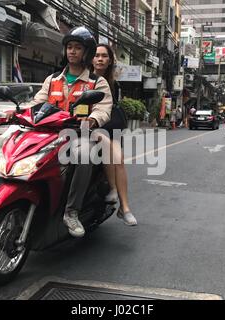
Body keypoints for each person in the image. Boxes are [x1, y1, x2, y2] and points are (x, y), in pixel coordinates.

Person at [29, 26, 113, 237]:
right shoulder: (53, 79)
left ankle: (71, 211)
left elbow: (104, 109)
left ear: (87, 53)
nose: (72, 52)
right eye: (69, 47)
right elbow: (36, 103)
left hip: (80, 134)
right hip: (49, 134)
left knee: (85, 154)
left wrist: (93, 119)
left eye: (77, 48)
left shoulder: (96, 82)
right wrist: (21, 112)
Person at [91, 43, 137, 226]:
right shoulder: (84, 79)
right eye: (96, 55)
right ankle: (112, 188)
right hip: (86, 127)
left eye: (104, 56)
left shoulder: (112, 83)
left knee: (119, 158)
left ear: (110, 60)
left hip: (108, 127)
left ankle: (124, 207)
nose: (100, 59)